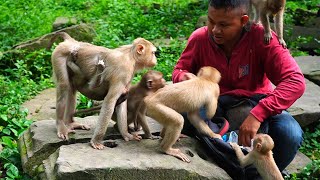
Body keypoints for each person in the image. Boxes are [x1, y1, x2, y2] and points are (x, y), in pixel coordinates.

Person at [172, 0, 305, 174]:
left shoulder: (263, 38)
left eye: (223, 25)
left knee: (290, 133)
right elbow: (180, 70)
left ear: (244, 20)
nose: (214, 30)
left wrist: (258, 114)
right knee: (183, 117)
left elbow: (295, 81)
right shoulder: (200, 38)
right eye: (211, 21)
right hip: (212, 103)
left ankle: (258, 175)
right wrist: (184, 77)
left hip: (256, 102)